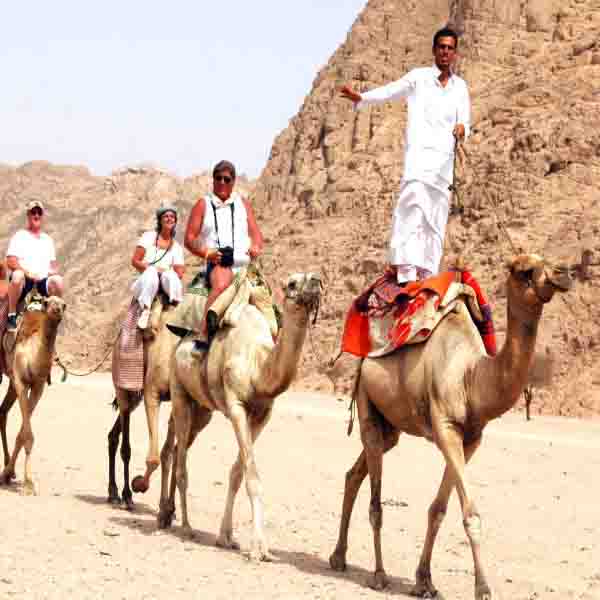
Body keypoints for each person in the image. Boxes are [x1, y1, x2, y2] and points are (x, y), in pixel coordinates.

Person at [340, 26, 471, 283]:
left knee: (435, 220)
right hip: (418, 163)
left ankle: (428, 274)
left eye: (450, 48)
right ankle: (407, 273)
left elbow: (466, 122)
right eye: (441, 47)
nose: (445, 52)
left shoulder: (460, 88)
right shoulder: (418, 78)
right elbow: (391, 90)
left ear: (455, 53)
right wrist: (362, 98)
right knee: (411, 212)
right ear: (434, 50)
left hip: (443, 168)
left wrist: (462, 128)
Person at [184, 160, 263, 352]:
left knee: (270, 301)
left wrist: (256, 246)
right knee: (220, 285)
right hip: (220, 262)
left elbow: (256, 234)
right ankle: (204, 332)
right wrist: (207, 253)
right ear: (213, 179)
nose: (222, 182)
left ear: (233, 181)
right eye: (218, 178)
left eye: (226, 179)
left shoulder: (243, 204)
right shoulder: (203, 204)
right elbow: (189, 238)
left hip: (244, 263)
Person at [5, 200, 64, 332]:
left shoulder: (47, 240)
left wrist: (53, 271)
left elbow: (53, 265)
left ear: (42, 216)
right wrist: (28, 273)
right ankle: (12, 315)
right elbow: (10, 261)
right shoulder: (20, 236)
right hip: (26, 281)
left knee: (59, 281)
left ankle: (53, 321)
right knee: (17, 276)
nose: (36, 215)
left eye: (39, 213)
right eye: (33, 212)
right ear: (28, 215)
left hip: (42, 282)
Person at [131, 204, 185, 329]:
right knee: (151, 273)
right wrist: (155, 270)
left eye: (172, 216)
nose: (169, 219)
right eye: (166, 216)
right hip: (146, 281)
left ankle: (179, 306)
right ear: (160, 220)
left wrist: (164, 272)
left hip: (164, 283)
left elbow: (180, 272)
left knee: (170, 275)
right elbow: (135, 261)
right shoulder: (148, 237)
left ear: (175, 221)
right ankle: (146, 310)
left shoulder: (176, 247)